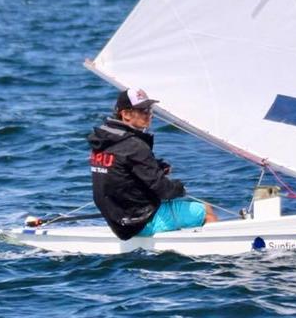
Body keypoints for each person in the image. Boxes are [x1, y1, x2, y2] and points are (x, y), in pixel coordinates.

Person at [87, 87, 217, 240]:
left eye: (150, 109)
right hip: (140, 222)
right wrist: (180, 188)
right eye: (143, 111)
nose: (150, 115)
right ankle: (215, 254)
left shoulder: (103, 140)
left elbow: (122, 170)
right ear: (126, 114)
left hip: (117, 221)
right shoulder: (135, 145)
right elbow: (164, 191)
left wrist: (155, 167)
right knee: (206, 210)